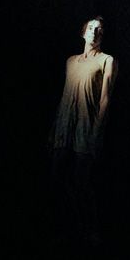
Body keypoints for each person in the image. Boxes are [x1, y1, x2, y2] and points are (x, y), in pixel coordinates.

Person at [50, 16, 117, 244]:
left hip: (86, 126)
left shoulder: (107, 60)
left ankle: (90, 228)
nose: (94, 32)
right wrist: (54, 128)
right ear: (83, 32)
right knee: (57, 175)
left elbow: (105, 99)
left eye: (99, 30)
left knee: (81, 180)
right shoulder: (70, 61)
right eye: (91, 28)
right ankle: (70, 223)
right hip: (64, 124)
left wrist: (97, 130)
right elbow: (64, 96)